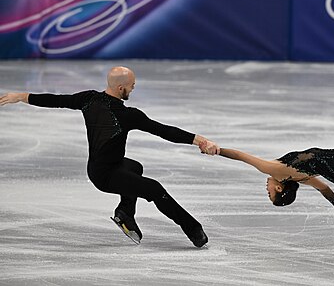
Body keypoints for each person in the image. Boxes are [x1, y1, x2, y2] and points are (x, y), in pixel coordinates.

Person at [0, 66, 220, 248]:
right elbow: (163, 130)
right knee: (155, 190)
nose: (133, 89)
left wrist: (22, 96)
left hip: (99, 168)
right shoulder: (127, 115)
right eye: (132, 86)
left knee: (135, 167)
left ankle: (125, 212)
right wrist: (199, 140)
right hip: (107, 176)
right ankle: (193, 229)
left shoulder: (88, 99)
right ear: (121, 87)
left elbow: (57, 100)